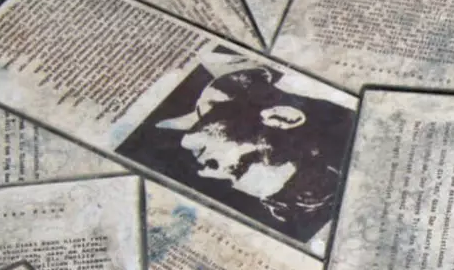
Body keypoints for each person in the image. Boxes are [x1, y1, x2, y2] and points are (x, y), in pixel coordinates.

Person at [125, 64, 352, 240]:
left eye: (228, 178)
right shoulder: (230, 70)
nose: (207, 172)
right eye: (239, 166)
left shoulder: (154, 131)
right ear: (281, 117)